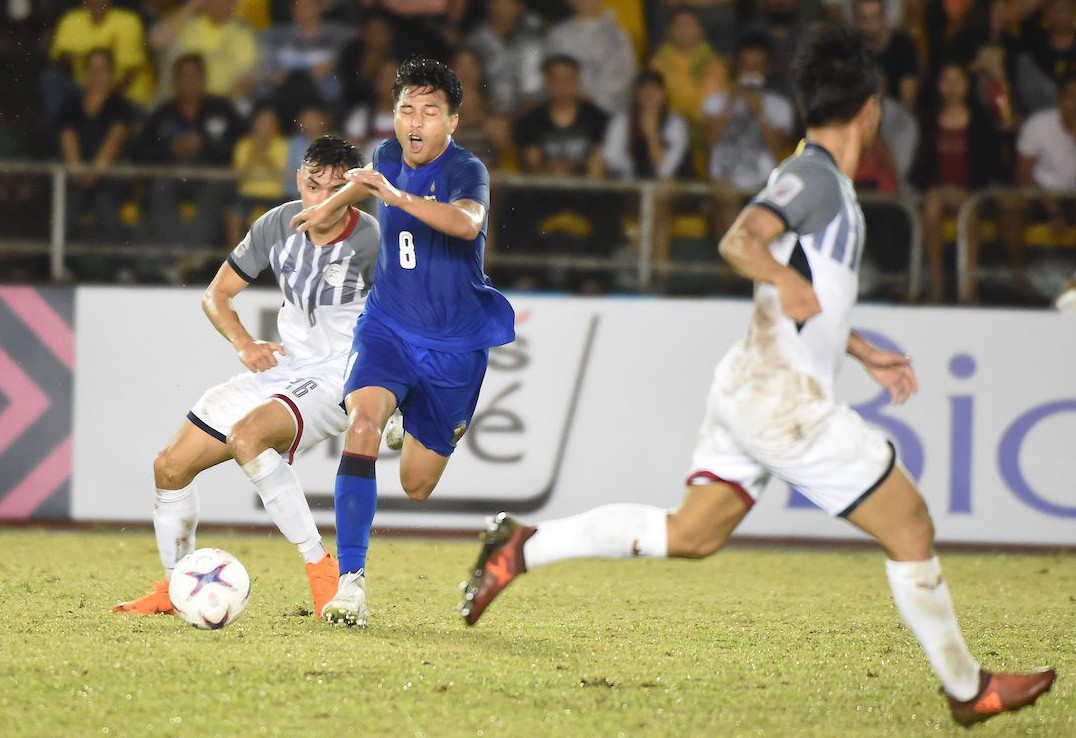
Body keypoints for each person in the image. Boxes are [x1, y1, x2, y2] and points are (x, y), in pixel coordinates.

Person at [459, 25, 1056, 728]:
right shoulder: (814, 179)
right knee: (911, 524)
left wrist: (856, 345)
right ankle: (967, 689)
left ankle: (526, 546)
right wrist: (778, 274)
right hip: (783, 402)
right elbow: (739, 239)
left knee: (692, 535)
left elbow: (804, 288)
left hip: (751, 383)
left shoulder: (815, 174)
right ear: (871, 108)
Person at [113, 135, 380, 620]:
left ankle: (322, 569)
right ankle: (176, 590)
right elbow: (216, 295)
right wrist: (244, 344)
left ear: (353, 192)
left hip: (342, 373)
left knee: (249, 438)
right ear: (299, 179)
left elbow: (407, 316)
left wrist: (394, 394)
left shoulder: (370, 239)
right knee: (170, 467)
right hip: (286, 369)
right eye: (313, 184)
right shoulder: (276, 224)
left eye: (335, 188)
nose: (321, 198)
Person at [288, 57, 515, 626]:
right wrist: (324, 207)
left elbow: (465, 224)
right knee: (361, 423)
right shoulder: (388, 157)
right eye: (406, 109)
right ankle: (351, 583)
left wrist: (396, 199)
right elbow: (364, 182)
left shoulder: (468, 170)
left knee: (416, 485)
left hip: (454, 344)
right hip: (387, 324)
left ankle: (423, 416)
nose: (416, 121)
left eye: (430, 111)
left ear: (452, 123)